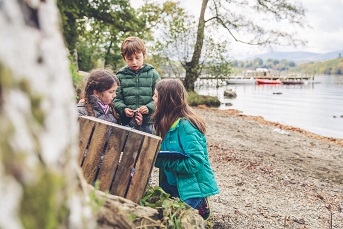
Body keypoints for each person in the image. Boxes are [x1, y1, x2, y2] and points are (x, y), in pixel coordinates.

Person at [152, 79, 220, 220]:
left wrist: (162, 162)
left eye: (156, 96)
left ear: (166, 100)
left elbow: (195, 162)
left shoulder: (186, 127)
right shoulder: (165, 123)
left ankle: (201, 204)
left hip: (192, 188)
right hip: (172, 184)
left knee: (176, 220)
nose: (153, 99)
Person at [114, 36, 160, 134]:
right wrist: (123, 109)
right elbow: (116, 99)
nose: (134, 62)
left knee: (148, 147)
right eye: (130, 59)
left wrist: (149, 108)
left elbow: (160, 97)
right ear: (124, 58)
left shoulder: (153, 74)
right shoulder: (120, 76)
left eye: (137, 58)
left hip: (148, 122)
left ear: (144, 55)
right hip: (126, 123)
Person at [78, 68, 142, 125]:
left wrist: (134, 122)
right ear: (96, 92)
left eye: (115, 91)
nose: (115, 95)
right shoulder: (81, 112)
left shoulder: (112, 110)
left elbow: (118, 135)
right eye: (111, 92)